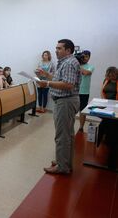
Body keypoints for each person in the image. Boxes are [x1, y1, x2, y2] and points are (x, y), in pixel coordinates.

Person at [36, 39, 81, 175]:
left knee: (62, 135)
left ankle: (62, 167)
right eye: (56, 48)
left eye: (59, 48)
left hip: (66, 101)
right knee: (67, 134)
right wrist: (47, 75)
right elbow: (60, 78)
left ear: (68, 50)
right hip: (65, 101)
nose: (56, 50)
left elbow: (68, 84)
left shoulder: (69, 63)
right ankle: (64, 161)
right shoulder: (67, 62)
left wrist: (47, 83)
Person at [78, 51, 95, 132]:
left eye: (86, 56)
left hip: (84, 93)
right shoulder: (75, 65)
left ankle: (81, 127)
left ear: (89, 57)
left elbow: (86, 73)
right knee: (71, 110)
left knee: (82, 111)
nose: (84, 58)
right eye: (83, 56)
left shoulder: (91, 66)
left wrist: (77, 64)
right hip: (74, 91)